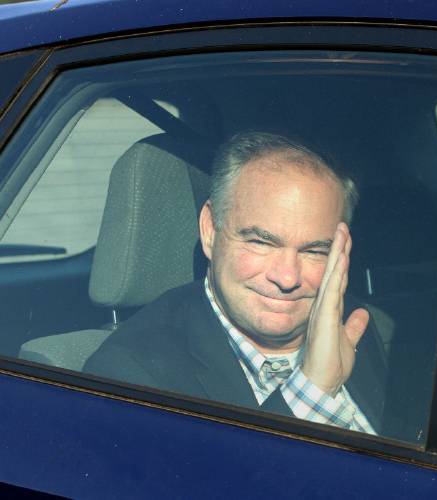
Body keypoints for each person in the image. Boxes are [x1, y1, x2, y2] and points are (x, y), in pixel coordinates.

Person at [84, 132, 385, 434]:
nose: (287, 278)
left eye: (314, 251)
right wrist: (313, 389)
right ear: (210, 230)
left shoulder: (351, 325)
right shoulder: (132, 374)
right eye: (261, 242)